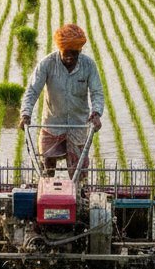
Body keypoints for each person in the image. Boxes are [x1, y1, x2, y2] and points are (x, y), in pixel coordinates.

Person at [19, 23, 104, 175]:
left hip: (78, 124)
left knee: (78, 170)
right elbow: (32, 90)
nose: (70, 57)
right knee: (47, 167)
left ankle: (78, 193)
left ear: (80, 50)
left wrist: (96, 113)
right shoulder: (47, 64)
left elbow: (97, 92)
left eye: (74, 53)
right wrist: (26, 114)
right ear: (60, 48)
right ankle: (46, 189)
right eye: (66, 52)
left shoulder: (88, 65)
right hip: (52, 124)